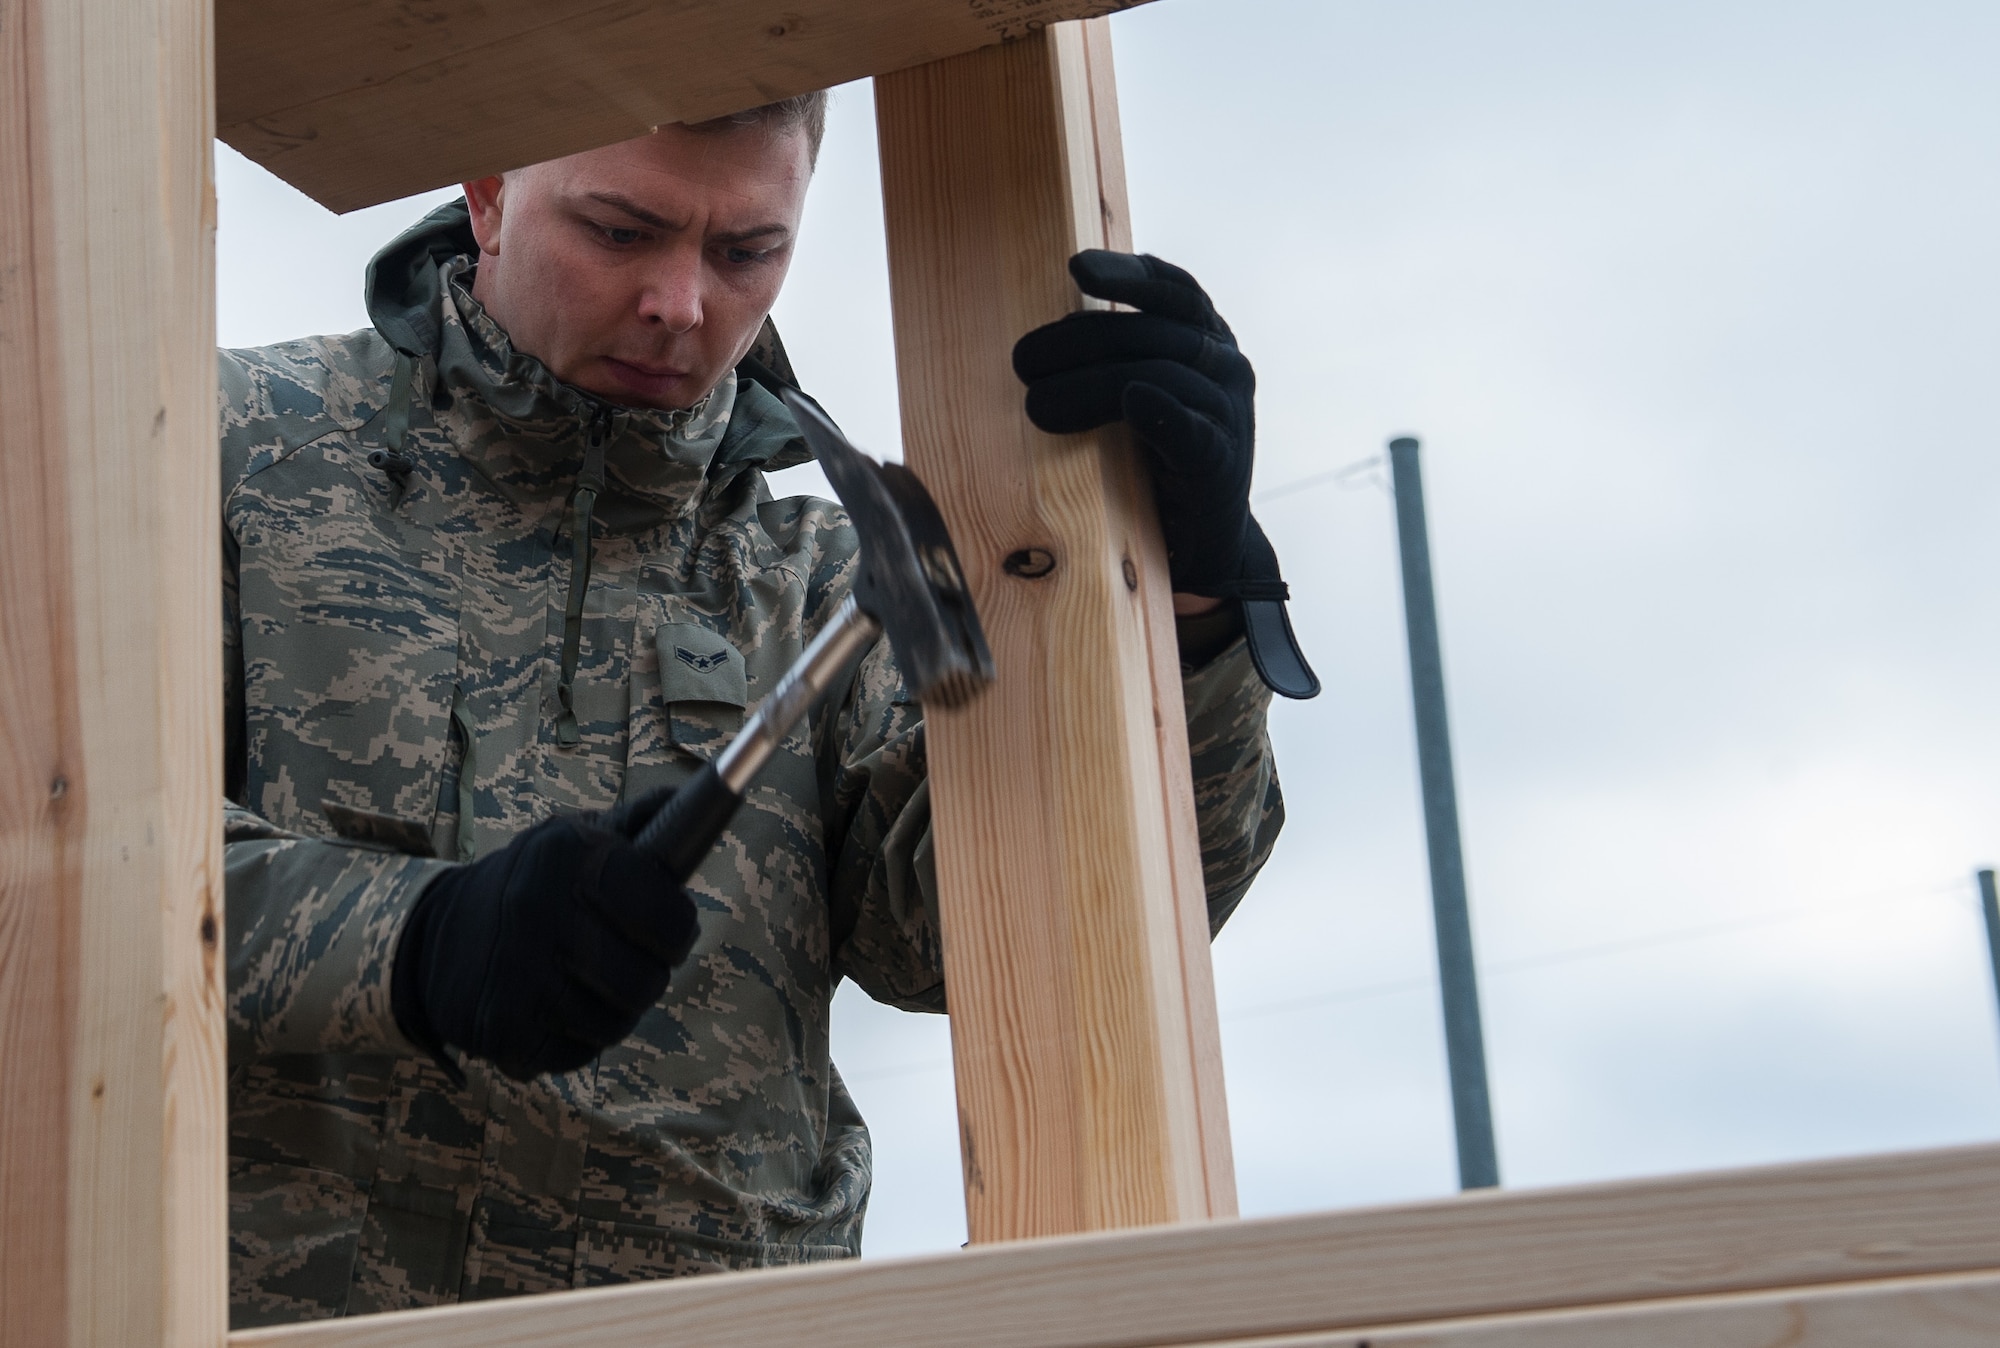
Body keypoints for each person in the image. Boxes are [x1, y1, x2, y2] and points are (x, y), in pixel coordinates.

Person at [221, 91, 1311, 1328]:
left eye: (746, 253)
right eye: (620, 232)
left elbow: (992, 934)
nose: (682, 304)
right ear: (487, 191)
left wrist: (1197, 612)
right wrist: (412, 944)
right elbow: (57, 872)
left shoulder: (820, 577)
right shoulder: (231, 453)